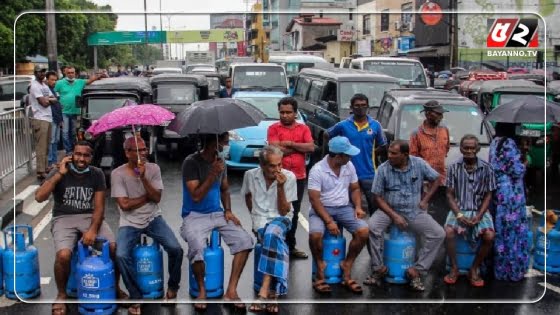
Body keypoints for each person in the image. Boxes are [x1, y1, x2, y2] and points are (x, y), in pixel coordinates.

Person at [34, 141, 126, 315]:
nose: (81, 159)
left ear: (91, 157)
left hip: (88, 216)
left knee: (114, 248)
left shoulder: (97, 173)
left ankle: (115, 288)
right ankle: (61, 295)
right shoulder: (59, 170)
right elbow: (39, 197)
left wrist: (92, 229)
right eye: (78, 154)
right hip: (63, 218)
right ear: (71, 155)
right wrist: (58, 175)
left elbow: (99, 207)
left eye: (86, 155)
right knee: (63, 255)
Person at [180, 133, 253, 311]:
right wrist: (212, 173)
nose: (227, 145)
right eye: (226, 142)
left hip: (217, 213)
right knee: (197, 246)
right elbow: (196, 196)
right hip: (194, 214)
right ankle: (202, 291)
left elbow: (225, 189)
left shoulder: (221, 162)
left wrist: (228, 210)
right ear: (214, 143)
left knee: (245, 241)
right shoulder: (191, 162)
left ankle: (231, 290)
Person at [112, 137, 184, 315]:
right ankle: (136, 296)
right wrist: (147, 197)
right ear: (127, 153)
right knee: (120, 255)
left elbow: (157, 198)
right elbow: (125, 205)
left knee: (176, 249)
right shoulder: (117, 174)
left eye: (144, 149)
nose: (143, 153)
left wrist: (144, 178)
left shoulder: (153, 168)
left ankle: (173, 287)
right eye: (138, 150)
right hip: (129, 222)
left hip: (153, 218)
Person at [366, 140, 445, 291]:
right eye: (389, 152)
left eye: (394, 153)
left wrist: (425, 199)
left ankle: (417, 270)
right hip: (388, 209)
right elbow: (377, 196)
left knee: (438, 234)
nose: (389, 156)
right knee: (372, 227)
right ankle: (378, 269)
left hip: (413, 210)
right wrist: (394, 216)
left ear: (405, 155)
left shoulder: (418, 164)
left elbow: (437, 178)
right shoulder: (383, 169)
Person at [308, 136, 369, 294]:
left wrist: (357, 206)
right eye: (347, 154)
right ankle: (320, 267)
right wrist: (328, 221)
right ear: (338, 155)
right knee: (315, 235)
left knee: (363, 231)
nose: (350, 157)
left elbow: (355, 188)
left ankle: (347, 264)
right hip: (322, 207)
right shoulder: (317, 170)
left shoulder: (349, 166)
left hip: (343, 207)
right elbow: (314, 199)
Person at [242, 146, 297, 313]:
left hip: (282, 219)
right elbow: (248, 197)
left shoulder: (289, 177)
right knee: (272, 237)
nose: (277, 169)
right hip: (260, 220)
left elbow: (284, 211)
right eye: (273, 166)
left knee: (271, 233)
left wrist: (280, 187)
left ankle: (265, 290)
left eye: (279, 165)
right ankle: (274, 291)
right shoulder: (250, 175)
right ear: (262, 165)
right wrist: (254, 220)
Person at [443, 135, 496, 287]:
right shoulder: (453, 167)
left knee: (489, 236)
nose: (469, 151)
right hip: (459, 209)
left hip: (479, 210)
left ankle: (474, 269)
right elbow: (449, 194)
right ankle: (454, 267)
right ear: (461, 149)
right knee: (448, 232)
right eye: (466, 148)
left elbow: (488, 194)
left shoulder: (487, 168)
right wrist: (459, 214)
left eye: (472, 148)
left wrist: (479, 216)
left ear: (478, 149)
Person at [267, 97, 315, 259]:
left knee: (293, 212)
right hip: (277, 176)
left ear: (295, 113)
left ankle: (290, 245)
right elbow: (275, 151)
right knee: (276, 210)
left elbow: (310, 147)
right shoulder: (273, 128)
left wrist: (290, 144)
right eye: (282, 112)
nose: (285, 115)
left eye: (288, 112)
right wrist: (298, 148)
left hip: (299, 177)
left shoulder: (304, 128)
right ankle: (274, 244)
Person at [326, 93, 387, 215]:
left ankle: (373, 233)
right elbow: (326, 135)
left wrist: (371, 153)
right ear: (351, 108)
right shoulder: (343, 125)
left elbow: (383, 145)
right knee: (348, 209)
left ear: (368, 107)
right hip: (346, 173)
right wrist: (331, 156)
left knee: (375, 208)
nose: (360, 108)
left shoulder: (375, 125)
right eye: (357, 106)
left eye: (363, 105)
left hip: (369, 173)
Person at [489, 122, 529, 281]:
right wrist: (525, 162)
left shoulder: (495, 141)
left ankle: (498, 266)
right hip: (511, 192)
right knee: (512, 230)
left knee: (501, 228)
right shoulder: (509, 143)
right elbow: (516, 170)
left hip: (498, 190)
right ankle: (510, 269)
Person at [409, 100, 450, 224]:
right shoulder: (416, 134)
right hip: (425, 181)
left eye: (441, 114)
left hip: (442, 180)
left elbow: (446, 149)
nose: (441, 117)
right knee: (423, 213)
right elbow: (413, 158)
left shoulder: (444, 130)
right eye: (437, 114)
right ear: (427, 114)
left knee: (441, 213)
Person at [54, 66, 101, 154]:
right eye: (69, 73)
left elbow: (90, 80)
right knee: (65, 133)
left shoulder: (79, 82)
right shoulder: (59, 83)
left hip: (75, 111)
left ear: (75, 73)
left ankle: (73, 149)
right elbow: (52, 92)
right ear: (65, 73)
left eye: (72, 73)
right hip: (64, 112)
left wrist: (100, 76)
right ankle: (68, 151)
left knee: (73, 133)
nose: (71, 74)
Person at [29, 65, 57, 180]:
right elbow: (44, 103)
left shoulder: (44, 85)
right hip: (40, 118)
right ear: (35, 73)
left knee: (46, 146)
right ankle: (40, 171)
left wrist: (49, 99)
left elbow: (54, 98)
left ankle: (45, 167)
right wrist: (50, 100)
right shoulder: (34, 86)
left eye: (43, 71)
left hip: (48, 118)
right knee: (41, 146)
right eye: (40, 72)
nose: (42, 73)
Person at [46, 71, 63, 169]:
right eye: (52, 80)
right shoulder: (46, 89)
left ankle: (54, 161)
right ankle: (50, 162)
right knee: (51, 140)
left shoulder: (54, 89)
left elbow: (57, 102)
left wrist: (60, 119)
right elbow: (47, 99)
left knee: (56, 140)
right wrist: (53, 99)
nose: (54, 82)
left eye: (55, 80)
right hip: (51, 117)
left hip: (57, 118)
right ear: (47, 80)